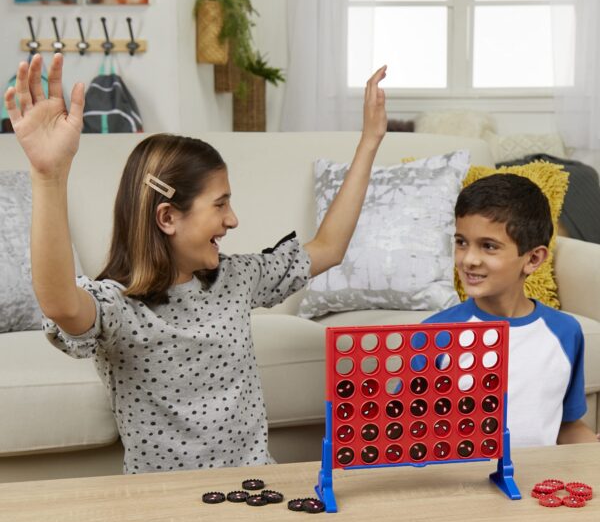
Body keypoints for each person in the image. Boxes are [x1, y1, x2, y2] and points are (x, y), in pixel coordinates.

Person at [4, 53, 388, 473]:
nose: (233, 219)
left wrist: (369, 142)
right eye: (220, 204)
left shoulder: (237, 277)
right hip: (166, 506)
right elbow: (60, 302)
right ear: (167, 217)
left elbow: (328, 247)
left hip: (252, 486)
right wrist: (49, 175)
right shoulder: (118, 307)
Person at [424, 173, 598, 447]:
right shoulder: (434, 334)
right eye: (461, 242)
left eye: (488, 246)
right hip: (462, 484)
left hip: (541, 485)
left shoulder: (565, 333)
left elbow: (567, 426)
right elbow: (407, 432)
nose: (468, 259)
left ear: (533, 259)